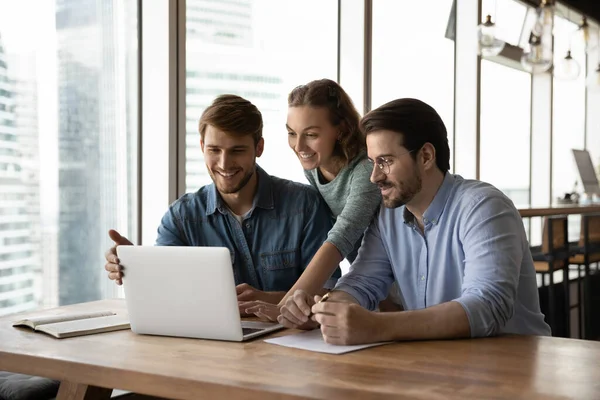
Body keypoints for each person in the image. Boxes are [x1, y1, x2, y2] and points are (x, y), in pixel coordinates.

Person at [278, 98, 551, 344]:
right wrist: (327, 311)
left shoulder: (484, 207)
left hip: (512, 372)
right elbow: (361, 283)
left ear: (426, 156)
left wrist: (377, 326)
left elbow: (487, 307)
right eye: (372, 162)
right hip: (438, 369)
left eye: (385, 161)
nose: (374, 177)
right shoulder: (389, 216)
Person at [104, 95, 339, 317]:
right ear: (202, 146)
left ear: (259, 148)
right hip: (208, 347)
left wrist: (268, 300)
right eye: (214, 150)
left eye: (237, 150)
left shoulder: (304, 205)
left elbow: (328, 295)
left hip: (289, 346)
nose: (224, 164)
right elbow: (166, 290)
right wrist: (133, 266)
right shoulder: (181, 217)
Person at [244, 79, 389, 319]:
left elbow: (341, 237)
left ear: (341, 129)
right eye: (292, 133)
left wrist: (285, 307)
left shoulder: (365, 170)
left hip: (395, 276)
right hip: (367, 280)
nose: (299, 145)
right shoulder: (313, 166)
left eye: (310, 134)